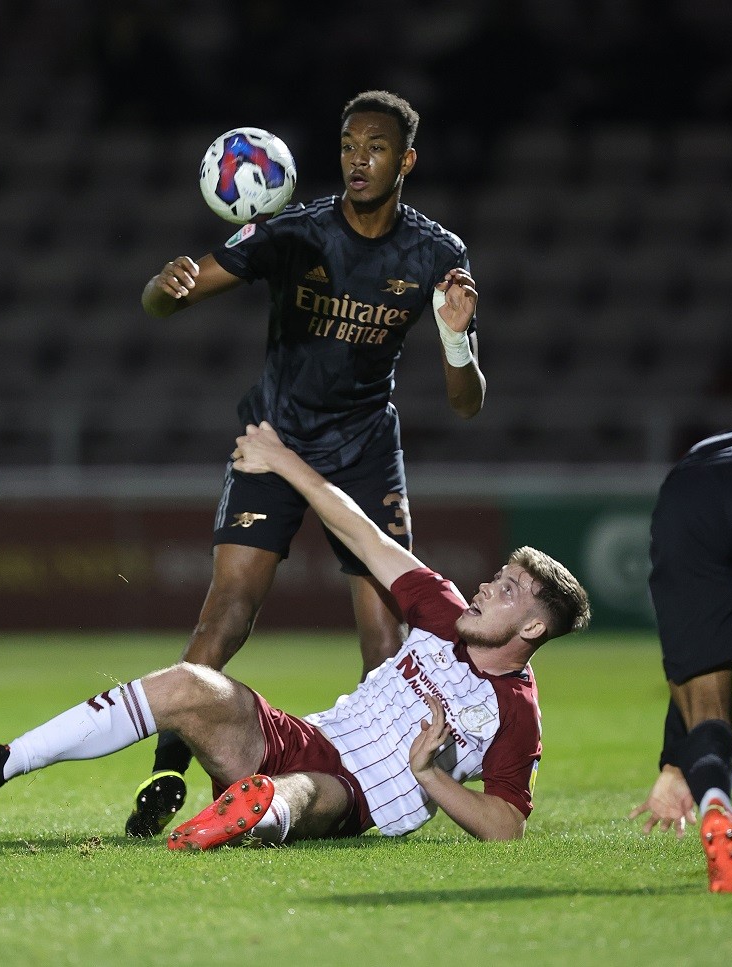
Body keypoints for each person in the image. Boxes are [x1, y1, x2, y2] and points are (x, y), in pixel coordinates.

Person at [0, 422, 589, 850]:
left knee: (310, 794)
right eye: (496, 576)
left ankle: (252, 812)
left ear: (532, 626)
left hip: (357, 795)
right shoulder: (444, 609)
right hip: (306, 734)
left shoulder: (515, 715)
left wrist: (429, 776)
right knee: (189, 683)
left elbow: (506, 827)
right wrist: (283, 461)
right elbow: (362, 531)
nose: (484, 587)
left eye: (505, 589)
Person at [128, 90, 486, 836]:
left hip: (364, 455)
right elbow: (174, 296)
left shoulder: (437, 254)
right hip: (275, 443)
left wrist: (457, 338)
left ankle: (365, 787)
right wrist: (163, 292)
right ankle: (168, 766)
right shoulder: (294, 231)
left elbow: (466, 402)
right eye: (349, 143)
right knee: (228, 609)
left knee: (385, 641)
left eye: (376, 147)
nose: (358, 158)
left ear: (406, 161)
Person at [629, 422, 732, 893]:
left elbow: (693, 661)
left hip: (684, 492)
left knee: (704, 692)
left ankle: (715, 804)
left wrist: (674, 763)